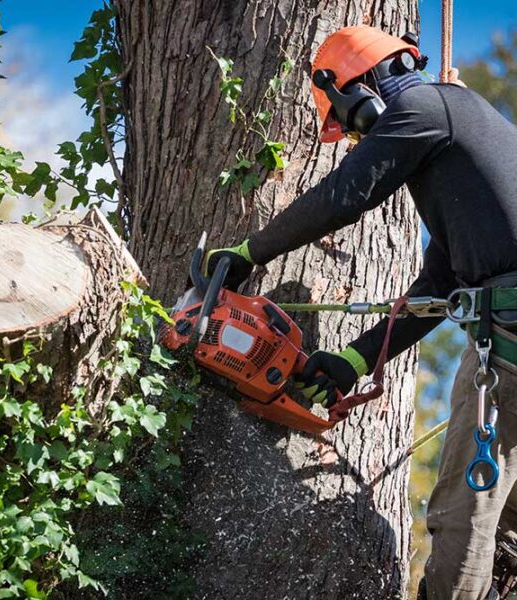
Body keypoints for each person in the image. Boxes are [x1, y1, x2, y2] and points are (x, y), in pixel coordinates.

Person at [205, 25, 517, 600]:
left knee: (463, 515)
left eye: (347, 126)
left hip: (509, 346)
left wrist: (249, 252)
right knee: (511, 526)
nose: (354, 141)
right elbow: (440, 288)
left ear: (357, 91)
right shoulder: (461, 139)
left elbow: (347, 193)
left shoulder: (426, 105)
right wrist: (353, 359)